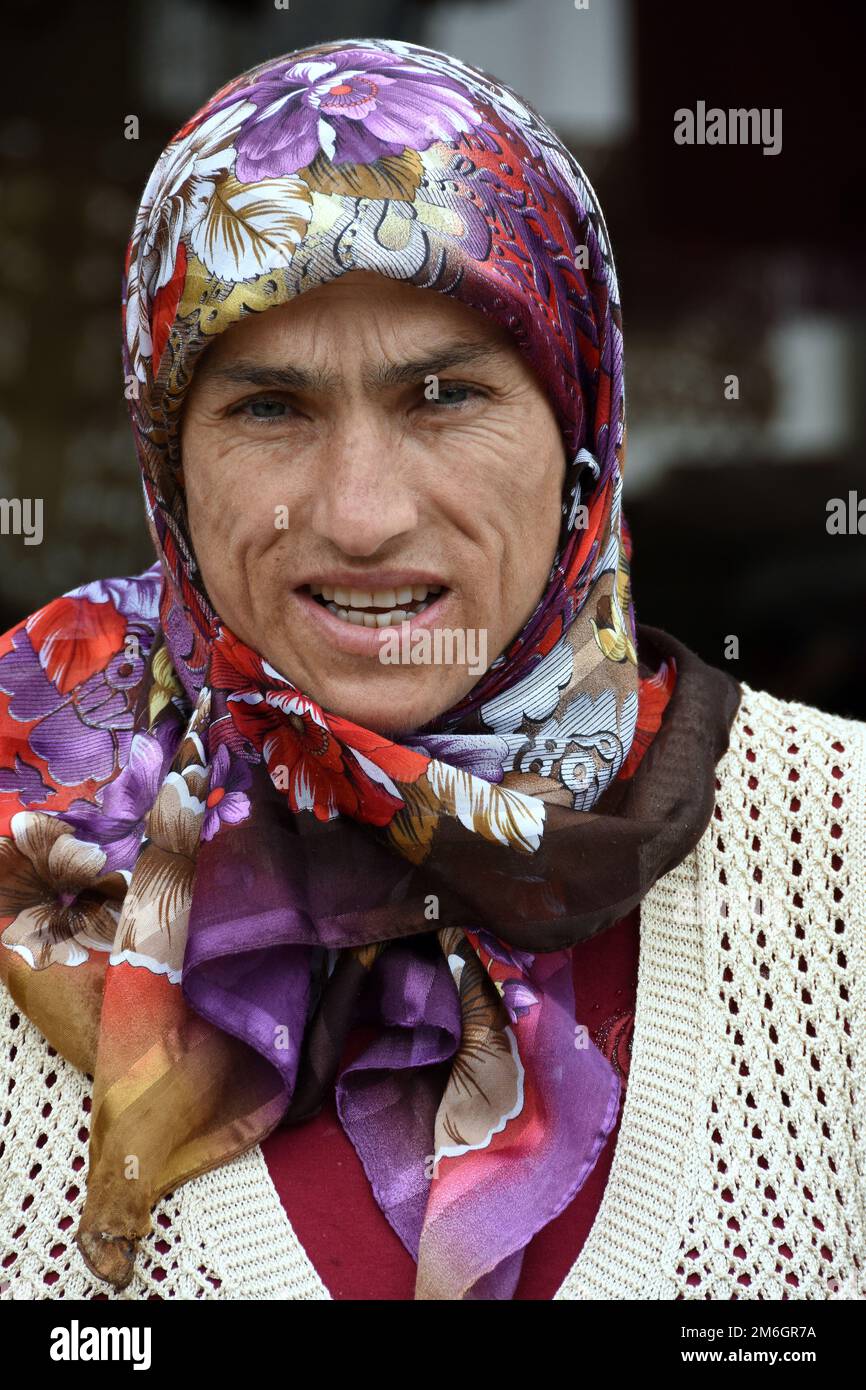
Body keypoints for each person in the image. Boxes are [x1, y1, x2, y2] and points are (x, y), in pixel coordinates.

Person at [0, 38, 864, 1303]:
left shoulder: (839, 856)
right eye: (267, 408)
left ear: (580, 430)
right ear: (167, 462)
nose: (357, 516)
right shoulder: (41, 845)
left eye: (444, 393)